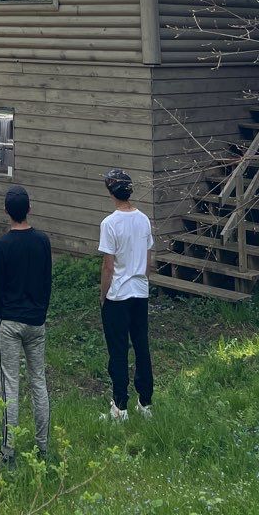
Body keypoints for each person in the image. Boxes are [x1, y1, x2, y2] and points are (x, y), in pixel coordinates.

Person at [0, 184, 51, 462]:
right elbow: (47, 281)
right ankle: (43, 447)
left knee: (10, 385)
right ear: (30, 209)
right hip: (35, 322)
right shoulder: (42, 241)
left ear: (6, 211)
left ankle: (8, 450)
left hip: (10, 323)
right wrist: (41, 312)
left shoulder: (1, 246)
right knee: (38, 381)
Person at [98, 167, 154, 421]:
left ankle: (120, 407)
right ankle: (146, 402)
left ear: (111, 193)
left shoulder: (109, 224)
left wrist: (103, 294)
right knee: (142, 346)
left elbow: (108, 266)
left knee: (118, 350)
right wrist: (142, 280)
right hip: (140, 291)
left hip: (118, 294)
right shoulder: (143, 219)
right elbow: (148, 259)